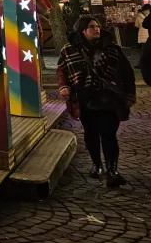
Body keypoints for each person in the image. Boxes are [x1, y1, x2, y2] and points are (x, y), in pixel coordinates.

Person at [57, 16, 135, 188]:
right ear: (82, 30)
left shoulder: (112, 48)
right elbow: (62, 70)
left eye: (98, 26)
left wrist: (129, 95)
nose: (96, 29)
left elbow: (126, 72)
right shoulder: (69, 50)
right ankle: (96, 164)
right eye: (92, 27)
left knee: (109, 134)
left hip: (109, 98)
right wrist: (64, 86)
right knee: (91, 134)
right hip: (86, 99)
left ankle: (112, 169)